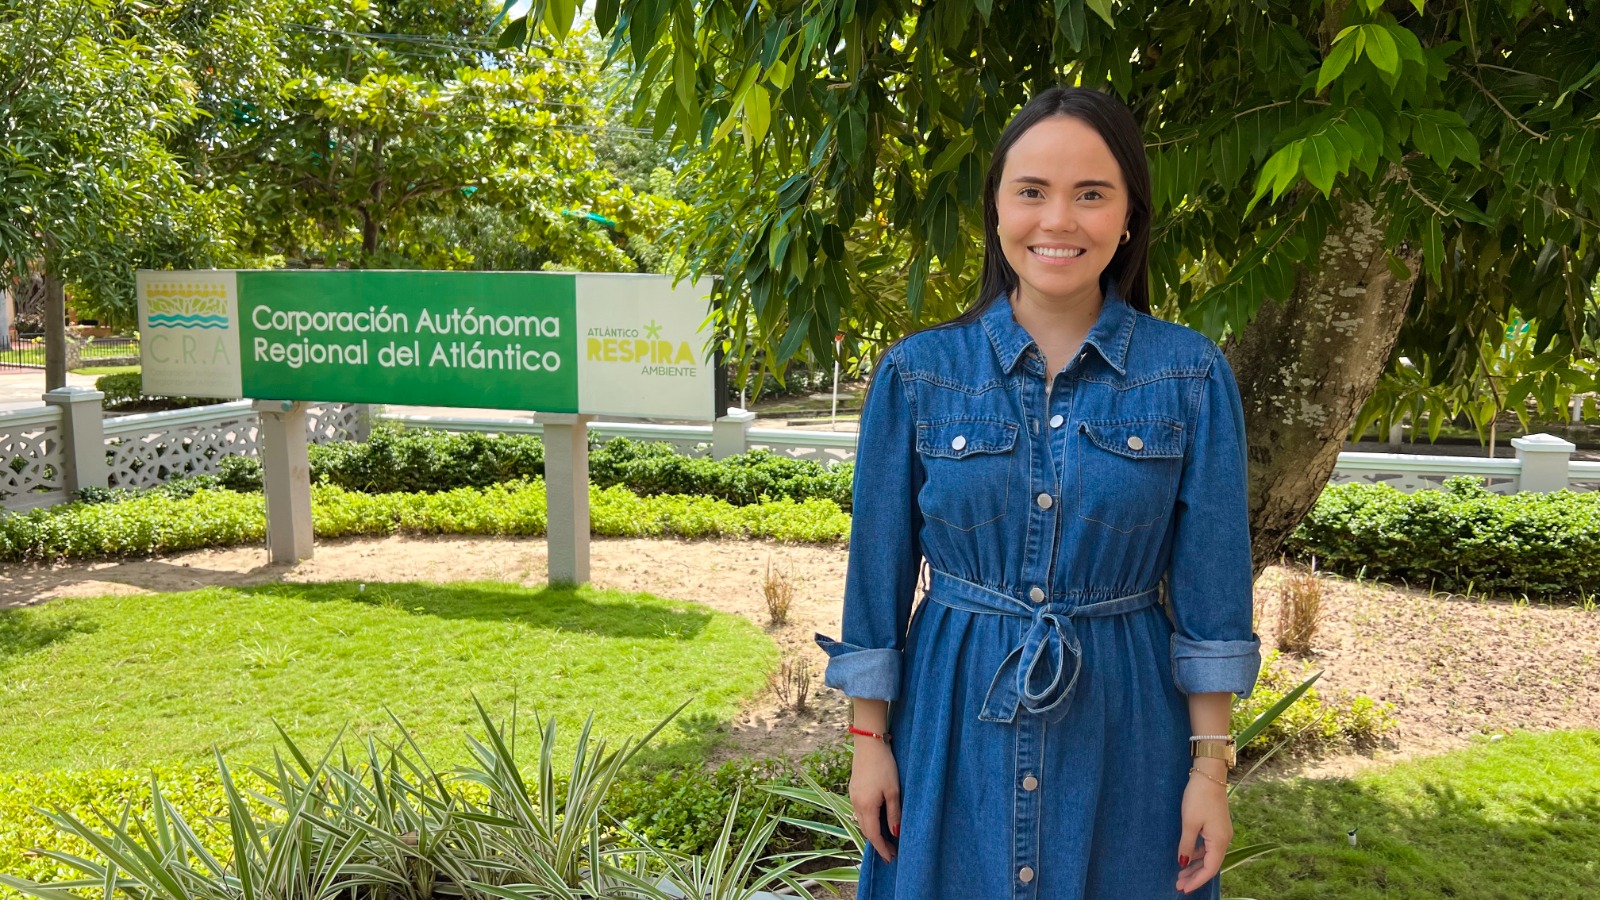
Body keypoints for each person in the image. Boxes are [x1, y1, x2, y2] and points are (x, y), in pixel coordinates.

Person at [814, 86, 1262, 899]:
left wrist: (1209, 768)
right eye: (1032, 191)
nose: (1059, 220)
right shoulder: (917, 374)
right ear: (995, 210)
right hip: (951, 726)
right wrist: (868, 741)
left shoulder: (1190, 376)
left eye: (1092, 194)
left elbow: (1213, 597)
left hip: (1129, 732)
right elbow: (875, 578)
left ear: (1129, 217)